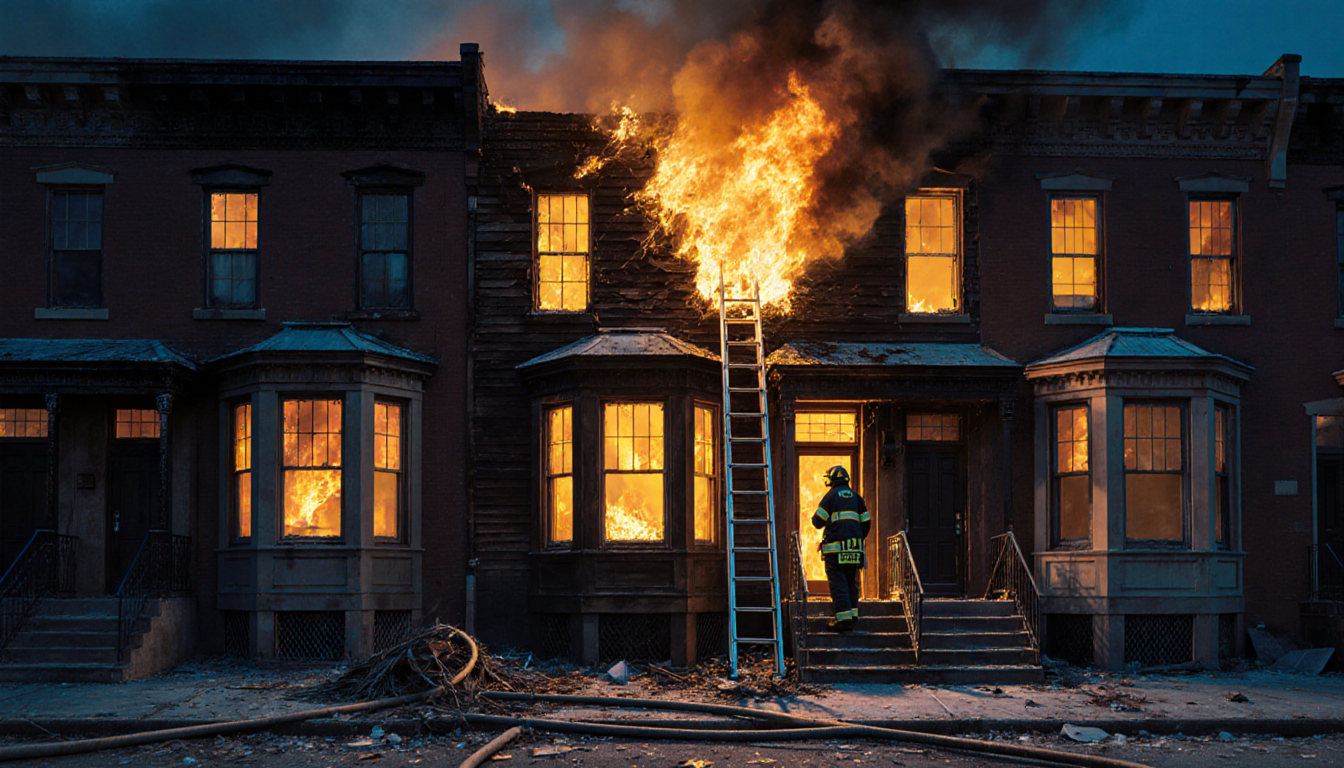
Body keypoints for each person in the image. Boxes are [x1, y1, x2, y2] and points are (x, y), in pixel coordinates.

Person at [810, 465, 870, 632]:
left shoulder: (830, 497)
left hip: (835, 550)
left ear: (831, 480)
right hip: (854, 549)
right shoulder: (857, 498)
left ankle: (843, 620)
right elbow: (866, 523)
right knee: (851, 581)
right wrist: (856, 538)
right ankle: (852, 615)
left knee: (838, 582)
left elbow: (818, 521)